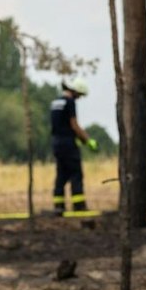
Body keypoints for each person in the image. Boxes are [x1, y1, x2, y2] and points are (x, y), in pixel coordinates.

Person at [48, 80, 97, 214]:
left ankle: (58, 206)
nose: (79, 98)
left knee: (61, 174)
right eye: (80, 95)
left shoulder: (55, 103)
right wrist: (87, 140)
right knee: (76, 173)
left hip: (56, 143)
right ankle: (79, 206)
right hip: (68, 143)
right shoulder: (70, 102)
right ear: (75, 91)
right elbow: (74, 124)